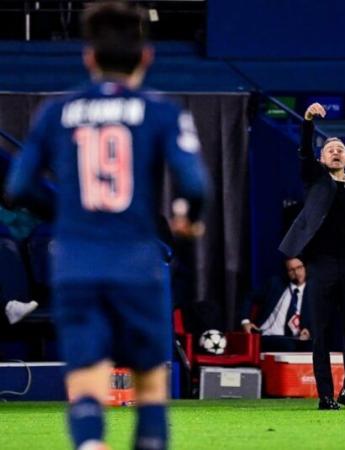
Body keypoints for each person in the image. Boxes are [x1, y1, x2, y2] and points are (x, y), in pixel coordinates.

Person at [4, 2, 209, 449]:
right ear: (147, 57)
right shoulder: (161, 111)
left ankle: (90, 443)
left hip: (75, 263)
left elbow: (18, 186)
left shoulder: (57, 112)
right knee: (151, 383)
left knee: (87, 377)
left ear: (89, 57)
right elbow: (195, 186)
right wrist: (187, 219)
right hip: (137, 260)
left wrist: (67, 214)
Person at [279, 102, 345, 410]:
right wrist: (307, 121)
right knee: (321, 332)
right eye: (330, 148)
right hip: (320, 264)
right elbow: (305, 152)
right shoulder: (315, 178)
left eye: (341, 148)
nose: (336, 151)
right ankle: (325, 395)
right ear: (322, 158)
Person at [239, 257, 312, 351]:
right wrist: (245, 322)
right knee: (288, 346)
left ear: (306, 268)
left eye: (299, 267)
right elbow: (249, 297)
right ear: (286, 272)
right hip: (267, 335)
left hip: (295, 339)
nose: (296, 273)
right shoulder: (275, 284)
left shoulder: (313, 293)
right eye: (291, 270)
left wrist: (308, 331)